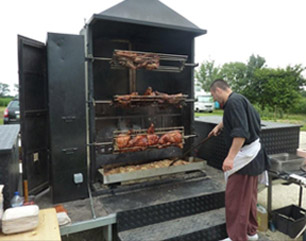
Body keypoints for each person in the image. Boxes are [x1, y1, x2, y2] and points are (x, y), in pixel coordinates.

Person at [208, 79, 270, 241]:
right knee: (249, 197)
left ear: (218, 91)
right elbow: (237, 120)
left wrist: (230, 158)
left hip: (244, 158)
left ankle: (236, 237)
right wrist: (219, 126)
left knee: (235, 198)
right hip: (253, 157)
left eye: (214, 96)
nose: (214, 100)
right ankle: (251, 232)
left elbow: (241, 132)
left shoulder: (233, 103)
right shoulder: (239, 99)